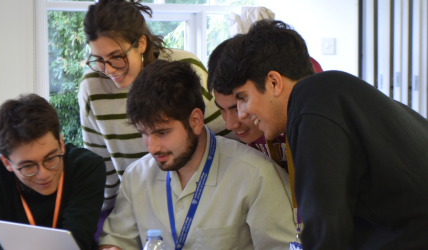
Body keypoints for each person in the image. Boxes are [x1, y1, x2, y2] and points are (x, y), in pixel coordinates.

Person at [211, 19, 428, 250]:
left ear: (274, 82)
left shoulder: (313, 103)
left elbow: (325, 226)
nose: (242, 113)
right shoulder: (330, 91)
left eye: (243, 98)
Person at [98, 60, 295, 250]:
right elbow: (116, 238)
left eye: (162, 132)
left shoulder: (257, 176)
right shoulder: (136, 177)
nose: (152, 148)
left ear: (195, 121)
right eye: (144, 133)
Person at [79, 0, 230, 217]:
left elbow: (227, 139)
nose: (108, 70)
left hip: (206, 199)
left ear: (141, 43)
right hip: (141, 207)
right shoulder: (91, 88)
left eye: (116, 57)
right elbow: (103, 173)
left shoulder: (183, 66)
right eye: (99, 59)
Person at [0, 94, 106, 250]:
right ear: (7, 163)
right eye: (28, 166)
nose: (43, 174)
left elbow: (77, 240)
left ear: (60, 143)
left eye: (51, 158)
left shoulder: (86, 167)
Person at [208, 37, 324, 171]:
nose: (230, 124)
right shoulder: (254, 133)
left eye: (243, 99)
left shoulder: (313, 114)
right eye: (221, 109)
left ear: (272, 84)